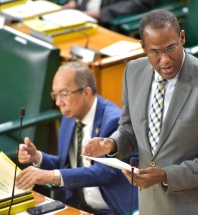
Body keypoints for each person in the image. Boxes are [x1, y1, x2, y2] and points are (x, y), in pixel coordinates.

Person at [82, 9, 198, 215]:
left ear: (182, 37)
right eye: (155, 52)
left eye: (171, 48)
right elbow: (130, 128)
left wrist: (165, 175)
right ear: (143, 47)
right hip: (149, 205)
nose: (165, 60)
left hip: (194, 207)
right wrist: (112, 143)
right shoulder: (133, 72)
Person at [15, 62, 138, 215]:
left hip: (111, 210)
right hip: (76, 206)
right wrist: (37, 157)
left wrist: (50, 176)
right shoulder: (70, 115)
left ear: (86, 92)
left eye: (64, 94)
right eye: (55, 95)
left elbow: (103, 173)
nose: (58, 102)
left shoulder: (114, 122)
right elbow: (67, 165)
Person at [62, 0, 157, 28]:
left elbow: (139, 2)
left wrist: (101, 15)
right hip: (73, 17)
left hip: (103, 24)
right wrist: (73, 1)